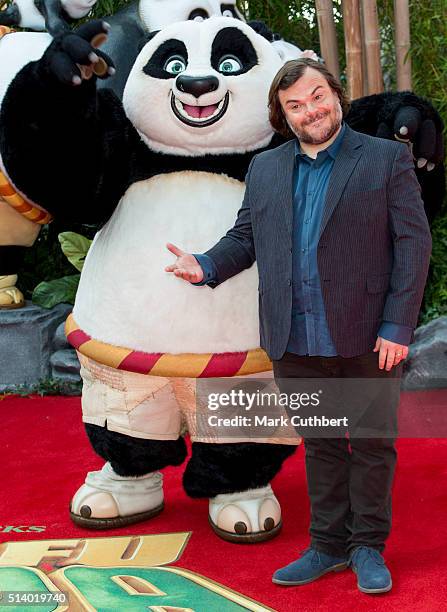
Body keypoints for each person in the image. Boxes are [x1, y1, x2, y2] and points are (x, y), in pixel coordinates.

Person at [165, 58, 432, 594]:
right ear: (282, 116)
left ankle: (368, 547)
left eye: (317, 97)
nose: (311, 110)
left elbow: (413, 243)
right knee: (323, 444)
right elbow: (246, 237)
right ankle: (328, 545)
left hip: (368, 337)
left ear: (336, 95)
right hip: (295, 337)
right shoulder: (265, 169)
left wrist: (398, 327)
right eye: (295, 105)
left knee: (373, 445)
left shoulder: (384, 159)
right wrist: (207, 264)